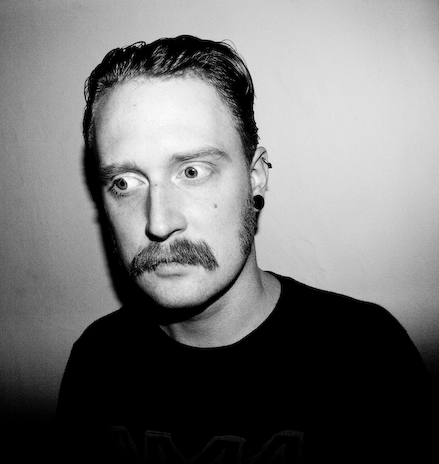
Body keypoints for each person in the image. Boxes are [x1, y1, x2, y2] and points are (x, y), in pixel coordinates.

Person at [54, 35, 435, 463]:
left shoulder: (366, 354)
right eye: (124, 183)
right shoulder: (97, 359)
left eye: (192, 171)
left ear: (255, 177)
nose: (158, 223)